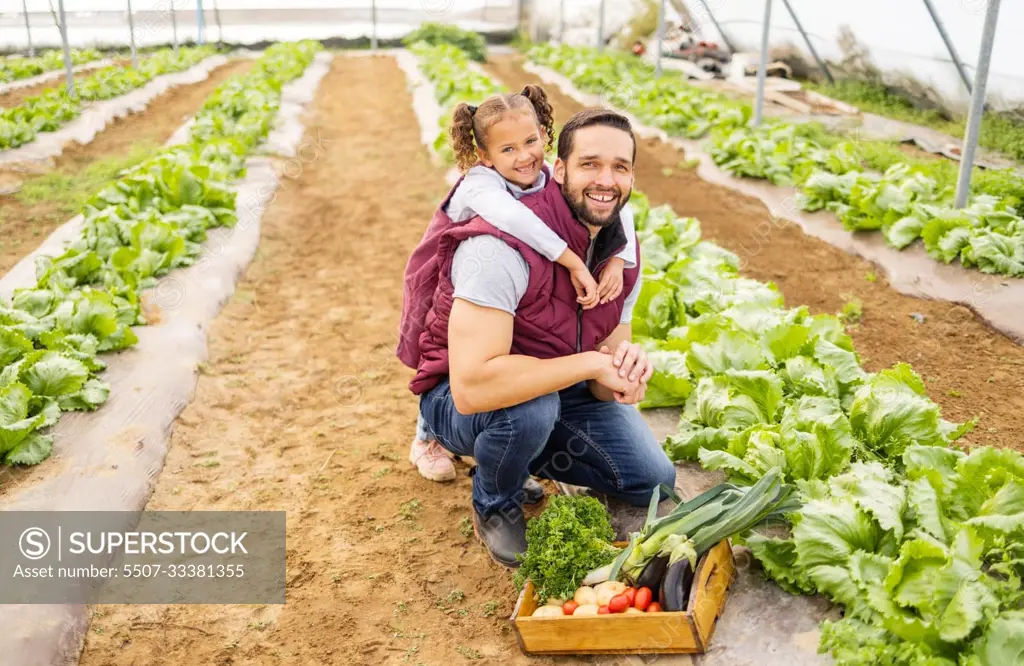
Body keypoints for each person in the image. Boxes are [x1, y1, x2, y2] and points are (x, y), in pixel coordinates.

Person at [397, 108, 677, 567]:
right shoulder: (497, 248)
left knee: (652, 478)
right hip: (462, 397)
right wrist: (590, 363)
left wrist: (623, 373)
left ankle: (521, 454)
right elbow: (472, 389)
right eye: (590, 164)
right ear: (558, 168)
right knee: (529, 411)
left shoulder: (623, 256)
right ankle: (495, 500)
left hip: (556, 387)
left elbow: (600, 381)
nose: (605, 179)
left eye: (620, 167)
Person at [405, 85, 637, 483]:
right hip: (448, 269)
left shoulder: (549, 176)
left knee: (513, 362)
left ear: (545, 136)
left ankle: (516, 450)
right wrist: (573, 262)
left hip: (502, 288)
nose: (525, 155)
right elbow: (517, 221)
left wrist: (618, 258)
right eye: (507, 149)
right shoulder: (478, 185)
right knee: (444, 342)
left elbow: (619, 207)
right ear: (484, 156)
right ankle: (429, 432)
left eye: (530, 141)